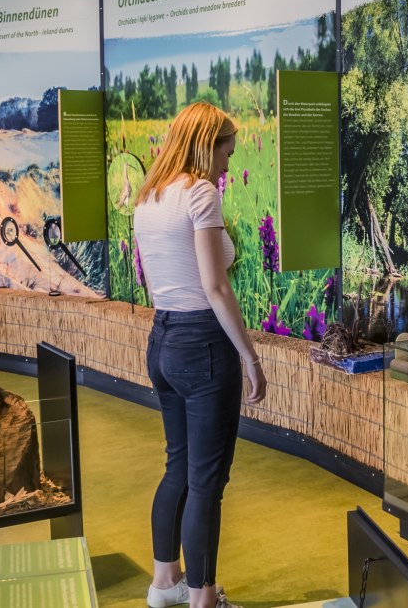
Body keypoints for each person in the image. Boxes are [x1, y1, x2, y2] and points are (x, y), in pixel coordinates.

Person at [133, 101, 267, 608]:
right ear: (206, 144)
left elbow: (162, 281)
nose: (229, 166)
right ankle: (203, 598)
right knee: (207, 483)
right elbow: (215, 287)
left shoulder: (149, 197)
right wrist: (250, 358)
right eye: (226, 154)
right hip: (204, 346)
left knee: (178, 468)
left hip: (162, 340)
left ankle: (164, 583)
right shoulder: (200, 194)